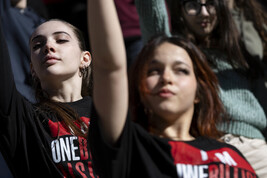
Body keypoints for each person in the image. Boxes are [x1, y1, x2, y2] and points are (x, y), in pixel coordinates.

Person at [87, 0, 257, 177]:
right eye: (154, 71)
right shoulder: (128, 147)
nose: (166, 78)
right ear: (139, 86)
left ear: (199, 90)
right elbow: (109, 68)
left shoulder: (231, 156)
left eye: (181, 70)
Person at [135, 0, 267, 176]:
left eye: (210, 4)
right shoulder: (177, 53)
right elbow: (152, 15)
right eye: (193, 5)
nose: (203, 13)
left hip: (256, 148)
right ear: (180, 10)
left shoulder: (240, 53)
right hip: (212, 150)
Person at [0, 18, 98, 177]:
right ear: (32, 69)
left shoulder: (108, 115)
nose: (48, 46)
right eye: (37, 46)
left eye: (61, 40)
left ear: (85, 58)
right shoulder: (23, 121)